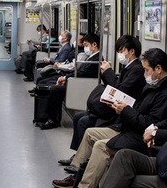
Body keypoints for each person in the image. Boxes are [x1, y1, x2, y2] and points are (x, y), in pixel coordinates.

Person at [52, 48, 167, 188]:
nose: (144, 74)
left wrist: (126, 110)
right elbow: (140, 110)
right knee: (91, 133)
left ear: (158, 68)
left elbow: (150, 124)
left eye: (147, 70)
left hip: (139, 137)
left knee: (101, 146)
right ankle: (76, 175)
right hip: (128, 128)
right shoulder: (155, 86)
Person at [58, 35, 146, 168]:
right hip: (114, 109)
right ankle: (78, 155)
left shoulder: (137, 70)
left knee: (83, 121)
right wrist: (105, 73)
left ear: (131, 51)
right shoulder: (128, 67)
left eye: (121, 50)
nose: (119, 54)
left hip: (119, 115)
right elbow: (114, 86)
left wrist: (108, 72)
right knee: (78, 117)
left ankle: (83, 160)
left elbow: (121, 90)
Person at [35, 33, 102, 130]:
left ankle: (52, 119)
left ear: (94, 45)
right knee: (54, 87)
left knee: (56, 89)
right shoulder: (92, 57)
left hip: (83, 85)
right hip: (79, 82)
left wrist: (66, 78)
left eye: (86, 45)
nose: (85, 48)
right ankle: (49, 116)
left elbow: (82, 73)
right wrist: (66, 78)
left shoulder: (96, 60)